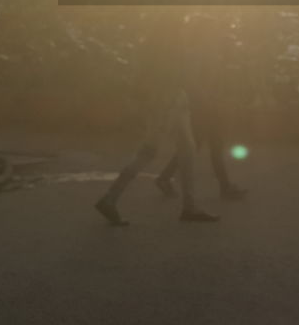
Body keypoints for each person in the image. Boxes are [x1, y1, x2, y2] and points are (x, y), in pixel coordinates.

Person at [95, 13, 220, 226]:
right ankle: (110, 198)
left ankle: (189, 206)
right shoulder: (171, 47)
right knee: (150, 152)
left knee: (187, 151)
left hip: (170, 101)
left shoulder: (155, 45)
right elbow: (181, 75)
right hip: (170, 101)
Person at [155, 15, 248, 201]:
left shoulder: (208, 51)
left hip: (207, 102)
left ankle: (165, 177)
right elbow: (192, 81)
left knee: (197, 144)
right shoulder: (199, 53)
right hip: (204, 104)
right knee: (213, 144)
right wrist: (208, 99)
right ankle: (224, 186)